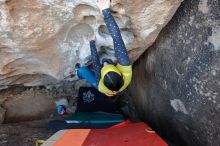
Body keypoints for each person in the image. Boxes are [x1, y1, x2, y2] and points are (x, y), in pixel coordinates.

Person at [76, 0, 132, 96]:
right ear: (120, 72)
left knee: (82, 70)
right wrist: (105, 11)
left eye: (104, 68)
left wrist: (92, 43)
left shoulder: (101, 86)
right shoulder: (126, 71)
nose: (105, 63)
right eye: (109, 66)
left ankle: (78, 73)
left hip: (102, 88)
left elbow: (96, 63)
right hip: (115, 87)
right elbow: (117, 38)